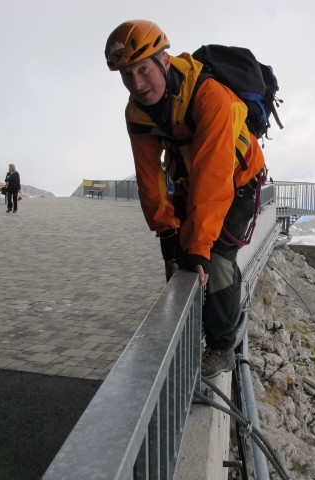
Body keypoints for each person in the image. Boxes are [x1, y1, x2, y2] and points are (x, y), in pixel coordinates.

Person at [105, 20, 266, 378]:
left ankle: (222, 344)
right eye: (127, 75)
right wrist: (166, 231)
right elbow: (148, 178)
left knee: (217, 256)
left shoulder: (210, 96)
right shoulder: (138, 112)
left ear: (163, 60)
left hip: (238, 179)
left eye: (143, 70)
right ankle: (183, 335)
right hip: (193, 178)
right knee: (180, 254)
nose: (137, 84)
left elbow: (215, 175)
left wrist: (197, 246)